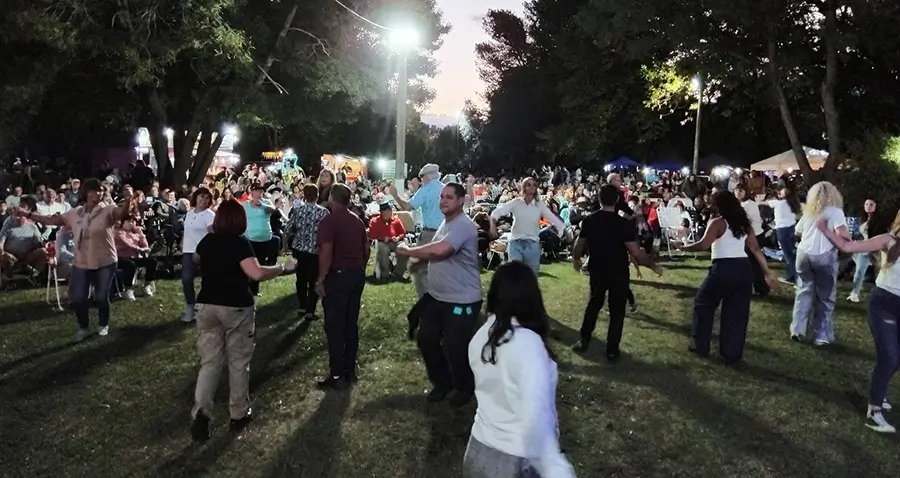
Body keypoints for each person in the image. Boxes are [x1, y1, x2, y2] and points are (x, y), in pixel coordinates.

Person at [189, 199, 297, 442]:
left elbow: (195, 258)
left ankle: (202, 413)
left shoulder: (208, 241)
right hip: (236, 306)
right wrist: (283, 268)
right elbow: (255, 273)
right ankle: (238, 413)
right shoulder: (240, 244)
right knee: (238, 362)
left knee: (210, 362)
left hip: (207, 305)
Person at [464, 261, 575, 478]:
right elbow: (537, 417)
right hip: (515, 461)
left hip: (477, 451)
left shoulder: (481, 336)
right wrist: (557, 470)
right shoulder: (527, 344)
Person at [397, 182, 483, 407]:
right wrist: (420, 262)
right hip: (438, 297)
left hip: (462, 299)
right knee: (426, 339)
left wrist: (408, 251)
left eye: (449, 197)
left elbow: (442, 250)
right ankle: (442, 383)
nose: (443, 201)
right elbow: (436, 251)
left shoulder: (463, 225)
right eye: (442, 196)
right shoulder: (447, 223)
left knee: (455, 346)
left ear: (461, 200)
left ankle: (464, 387)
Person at [815, 210, 900, 433]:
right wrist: (824, 229)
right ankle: (874, 412)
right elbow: (848, 246)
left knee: (896, 358)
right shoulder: (889, 240)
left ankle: (880, 394)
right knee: (889, 356)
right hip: (884, 304)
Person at [679, 191, 778, 364]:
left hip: (723, 267)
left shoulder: (718, 222)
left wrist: (683, 247)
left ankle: (700, 345)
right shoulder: (744, 224)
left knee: (703, 303)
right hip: (743, 269)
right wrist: (767, 272)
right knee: (737, 313)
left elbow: (703, 244)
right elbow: (755, 249)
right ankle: (732, 354)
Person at [25, 178, 129, 340]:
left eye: (101, 191)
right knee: (79, 298)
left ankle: (103, 324)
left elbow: (122, 214)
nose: (98, 193)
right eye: (95, 190)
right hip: (82, 261)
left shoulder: (108, 210)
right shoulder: (75, 213)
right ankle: (83, 326)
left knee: (101, 297)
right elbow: (51, 220)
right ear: (86, 192)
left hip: (105, 261)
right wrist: (27, 214)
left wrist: (128, 203)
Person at [572, 185, 662, 360]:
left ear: (599, 199)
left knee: (594, 304)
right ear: (617, 200)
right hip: (618, 271)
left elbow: (579, 243)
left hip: (598, 269)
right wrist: (652, 265)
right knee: (617, 311)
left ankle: (584, 340)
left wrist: (576, 259)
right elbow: (636, 252)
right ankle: (612, 350)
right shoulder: (623, 224)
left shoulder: (590, 220)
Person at [314, 184, 369, 390]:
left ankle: (337, 374)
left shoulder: (329, 222)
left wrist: (320, 279)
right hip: (356, 275)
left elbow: (326, 252)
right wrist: (360, 267)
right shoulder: (357, 221)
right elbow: (366, 248)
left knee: (335, 326)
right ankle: (350, 370)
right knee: (350, 324)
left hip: (338, 277)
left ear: (332, 198)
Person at [791, 181, 849, 346]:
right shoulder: (836, 212)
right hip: (824, 254)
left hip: (803, 254)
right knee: (825, 296)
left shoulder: (809, 212)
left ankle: (798, 329)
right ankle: (821, 335)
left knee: (803, 291)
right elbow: (842, 235)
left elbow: (797, 231)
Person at [489, 177, 564, 275]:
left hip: (532, 244)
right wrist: (493, 227)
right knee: (515, 276)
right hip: (516, 243)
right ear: (523, 187)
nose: (532, 187)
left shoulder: (539, 205)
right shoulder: (516, 202)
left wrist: (560, 230)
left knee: (531, 277)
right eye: (528, 184)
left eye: (534, 185)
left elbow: (554, 219)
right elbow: (496, 213)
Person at [390, 163, 444, 298]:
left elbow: (407, 207)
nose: (421, 180)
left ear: (427, 176)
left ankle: (426, 299)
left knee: (419, 268)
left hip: (430, 234)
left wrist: (395, 195)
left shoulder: (425, 190)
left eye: (422, 177)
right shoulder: (446, 188)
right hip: (446, 233)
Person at [288, 184, 329, 320]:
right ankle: (310, 310)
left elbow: (288, 229)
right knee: (314, 280)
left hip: (299, 249)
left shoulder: (297, 211)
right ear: (317, 196)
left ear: (304, 196)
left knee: (301, 278)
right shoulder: (323, 212)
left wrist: (287, 244)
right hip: (315, 250)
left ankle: (302, 306)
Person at [180, 188, 216, 322]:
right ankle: (190, 305)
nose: (204, 200)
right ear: (196, 197)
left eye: (207, 198)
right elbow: (187, 230)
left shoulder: (209, 215)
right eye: (202, 196)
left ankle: (203, 307)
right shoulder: (189, 213)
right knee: (186, 279)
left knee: (207, 280)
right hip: (188, 250)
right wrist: (183, 242)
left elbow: (213, 234)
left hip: (204, 252)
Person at [243, 183, 278, 296]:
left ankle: (254, 289)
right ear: (251, 191)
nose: (258, 192)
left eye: (260, 190)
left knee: (260, 263)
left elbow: (273, 211)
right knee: (250, 263)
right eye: (256, 190)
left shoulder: (266, 202)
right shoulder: (245, 205)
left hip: (265, 238)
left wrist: (262, 205)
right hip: (250, 238)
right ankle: (246, 287)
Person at [0, 196, 47, 279]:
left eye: (23, 207)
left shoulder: (33, 227)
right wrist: (4, 252)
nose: (20, 209)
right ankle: (12, 276)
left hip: (26, 256)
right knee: (4, 256)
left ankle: (34, 276)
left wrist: (45, 245)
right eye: (20, 205)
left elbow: (39, 244)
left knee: (43, 251)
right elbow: (1, 243)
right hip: (10, 255)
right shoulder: (8, 223)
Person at [735, 185, 770, 296]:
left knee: (754, 264)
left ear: (746, 192)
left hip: (754, 236)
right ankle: (755, 286)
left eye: (741, 190)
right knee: (749, 263)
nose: (738, 192)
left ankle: (761, 288)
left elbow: (748, 221)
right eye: (736, 190)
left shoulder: (749, 204)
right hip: (748, 236)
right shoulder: (740, 204)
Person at [114, 217, 156, 300]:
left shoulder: (135, 233)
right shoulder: (119, 232)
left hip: (135, 257)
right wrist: (139, 249)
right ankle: (128, 289)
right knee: (130, 265)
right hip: (121, 258)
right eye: (128, 221)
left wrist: (140, 233)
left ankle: (146, 285)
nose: (131, 223)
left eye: (133, 221)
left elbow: (145, 245)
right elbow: (127, 244)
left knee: (152, 261)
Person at [767, 184, 801, 285]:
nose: (780, 192)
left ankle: (797, 278)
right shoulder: (794, 204)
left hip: (782, 231)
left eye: (782, 191)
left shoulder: (779, 203)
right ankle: (791, 276)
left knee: (788, 255)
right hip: (792, 229)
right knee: (791, 253)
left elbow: (764, 203)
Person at [368, 202, 409, 281]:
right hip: (382, 242)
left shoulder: (396, 220)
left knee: (404, 249)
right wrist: (382, 238)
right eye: (385, 211)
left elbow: (402, 232)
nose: (388, 213)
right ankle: (385, 274)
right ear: (382, 212)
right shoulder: (374, 221)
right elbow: (371, 234)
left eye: (389, 211)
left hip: (395, 242)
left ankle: (398, 273)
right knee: (384, 249)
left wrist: (398, 238)